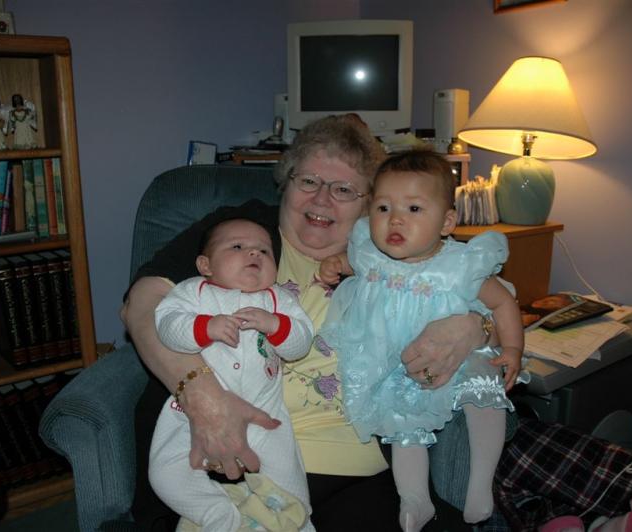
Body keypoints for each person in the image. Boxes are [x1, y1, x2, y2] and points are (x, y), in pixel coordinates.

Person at [122, 114, 493, 531]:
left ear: (369, 206)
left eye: (344, 190)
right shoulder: (242, 233)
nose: (322, 200)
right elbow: (142, 302)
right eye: (309, 181)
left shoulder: (393, 253)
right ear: (286, 182)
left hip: (354, 463)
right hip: (236, 449)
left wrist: (474, 326)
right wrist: (201, 395)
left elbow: (481, 297)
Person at [317, 150, 525, 529]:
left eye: (413, 209)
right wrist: (335, 264)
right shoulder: (370, 256)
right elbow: (350, 264)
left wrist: (512, 348)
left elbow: (503, 303)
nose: (395, 219)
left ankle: (481, 484)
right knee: (401, 423)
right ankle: (414, 499)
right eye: (383, 208)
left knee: (484, 391)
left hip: (460, 358)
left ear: (447, 222)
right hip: (397, 366)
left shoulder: (459, 265)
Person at [149, 218, 315, 531]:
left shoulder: (278, 299)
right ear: (206, 265)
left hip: (265, 414)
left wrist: (276, 325)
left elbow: (300, 343)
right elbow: (167, 326)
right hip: (191, 413)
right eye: (238, 246)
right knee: (165, 473)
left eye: (264, 251)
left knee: (290, 478)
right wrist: (204, 327)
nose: (254, 254)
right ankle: (217, 514)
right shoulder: (193, 292)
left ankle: (295, 522)